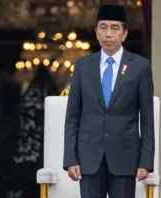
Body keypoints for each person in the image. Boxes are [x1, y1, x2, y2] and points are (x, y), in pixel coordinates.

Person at [63, 4, 154, 198]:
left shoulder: (140, 67)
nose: (108, 34)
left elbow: (147, 119)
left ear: (125, 33)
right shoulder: (82, 66)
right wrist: (71, 159)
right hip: (88, 158)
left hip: (125, 157)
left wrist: (145, 161)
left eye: (115, 28)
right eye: (103, 27)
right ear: (96, 32)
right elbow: (72, 116)